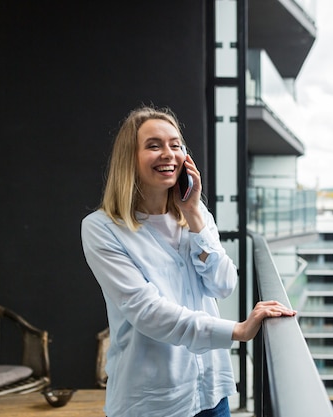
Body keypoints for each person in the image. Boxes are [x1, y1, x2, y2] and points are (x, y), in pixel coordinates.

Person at [81, 106, 296, 417]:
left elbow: (223, 284)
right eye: (154, 145)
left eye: (175, 144)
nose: (168, 154)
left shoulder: (196, 214)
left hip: (211, 392)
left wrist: (194, 215)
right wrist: (236, 331)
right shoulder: (102, 228)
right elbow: (147, 312)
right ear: (129, 157)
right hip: (153, 403)